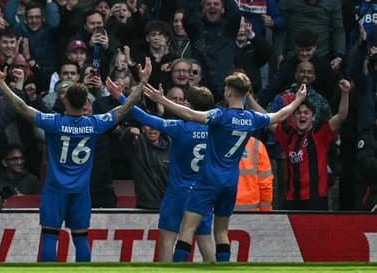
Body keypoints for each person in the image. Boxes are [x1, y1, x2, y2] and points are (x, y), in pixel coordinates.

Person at [0, 58, 147, 262]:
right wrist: (141, 83)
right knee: (81, 238)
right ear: (86, 103)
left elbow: (21, 106)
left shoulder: (54, 122)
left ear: (64, 100)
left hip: (55, 189)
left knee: (49, 237)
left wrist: (1, 83)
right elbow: (124, 109)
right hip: (81, 191)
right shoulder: (95, 124)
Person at [143, 72, 307, 262]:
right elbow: (281, 115)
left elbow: (190, 114)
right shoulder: (253, 118)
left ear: (228, 92)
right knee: (221, 232)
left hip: (209, 179)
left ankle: (179, 268)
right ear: (247, 94)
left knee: (187, 229)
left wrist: (162, 99)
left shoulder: (221, 115)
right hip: (230, 182)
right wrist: (298, 100)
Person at [114, 83, 216, 261]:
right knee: (205, 241)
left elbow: (143, 117)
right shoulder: (216, 131)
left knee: (168, 240)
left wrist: (121, 97)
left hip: (178, 192)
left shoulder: (180, 127)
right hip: (202, 193)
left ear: (188, 105)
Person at [269, 80, 351, 210]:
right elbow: (266, 120)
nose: (302, 115)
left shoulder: (321, 133)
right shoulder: (288, 135)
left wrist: (345, 93)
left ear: (313, 117)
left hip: (316, 199)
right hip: (292, 199)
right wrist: (249, 99)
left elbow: (341, 116)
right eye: (298, 113)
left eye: (306, 112)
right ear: (294, 117)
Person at [234, 136, 273, 211]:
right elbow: (265, 185)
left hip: (219, 214)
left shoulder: (215, 143)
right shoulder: (256, 145)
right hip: (251, 213)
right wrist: (265, 211)